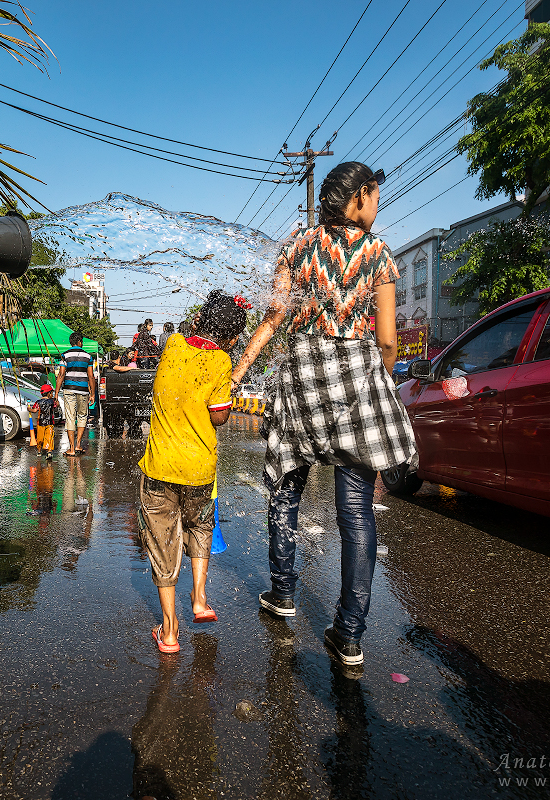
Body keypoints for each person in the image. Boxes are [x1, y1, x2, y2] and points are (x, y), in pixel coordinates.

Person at [231, 161, 417, 669]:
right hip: (356, 378)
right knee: (355, 511)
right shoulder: (378, 254)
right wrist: (379, 379)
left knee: (286, 486)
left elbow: (273, 317)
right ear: (356, 198)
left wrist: (236, 371)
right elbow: (386, 339)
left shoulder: (298, 245)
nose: (378, 205)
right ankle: (350, 634)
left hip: (302, 377)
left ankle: (283, 592)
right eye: (374, 195)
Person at [137, 293, 247, 653]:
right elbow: (219, 416)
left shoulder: (171, 345)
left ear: (200, 320)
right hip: (200, 469)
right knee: (200, 527)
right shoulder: (222, 361)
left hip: (160, 467)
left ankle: (169, 632)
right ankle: (199, 599)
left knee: (162, 541)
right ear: (231, 337)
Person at [56, 331, 96, 457]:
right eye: (82, 341)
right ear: (79, 342)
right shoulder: (88, 357)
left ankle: (71, 448)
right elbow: (91, 376)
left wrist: (56, 393)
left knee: (70, 417)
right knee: (82, 416)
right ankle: (78, 445)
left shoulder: (65, 355)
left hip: (69, 389)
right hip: (83, 390)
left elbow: (61, 374)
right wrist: (93, 394)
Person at [29, 384, 63, 460]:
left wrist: (29, 409)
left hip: (40, 423)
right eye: (51, 393)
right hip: (50, 422)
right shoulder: (52, 402)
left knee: (40, 437)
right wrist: (56, 400)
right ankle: (49, 451)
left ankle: (39, 451)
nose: (52, 395)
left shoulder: (38, 402)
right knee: (50, 437)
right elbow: (57, 405)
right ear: (48, 393)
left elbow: (34, 410)